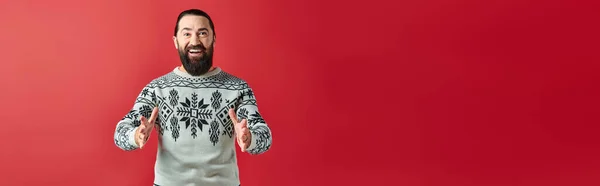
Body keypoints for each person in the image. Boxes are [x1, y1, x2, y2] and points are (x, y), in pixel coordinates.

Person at [113, 8, 273, 186]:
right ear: (176, 41)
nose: (195, 41)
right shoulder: (156, 89)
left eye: (202, 33)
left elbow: (264, 136)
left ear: (214, 39)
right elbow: (120, 133)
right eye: (186, 33)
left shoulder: (238, 88)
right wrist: (136, 136)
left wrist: (249, 138)